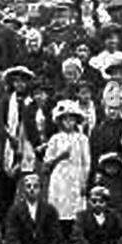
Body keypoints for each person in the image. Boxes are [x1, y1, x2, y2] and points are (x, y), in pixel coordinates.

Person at [3, 170, 65, 244]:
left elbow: (56, 236)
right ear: (23, 189)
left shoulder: (50, 210)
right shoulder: (14, 210)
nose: (32, 189)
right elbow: (11, 236)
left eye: (35, 186)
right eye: (28, 186)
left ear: (40, 189)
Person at [44, 99, 91, 234]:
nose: (69, 123)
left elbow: (86, 161)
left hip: (76, 175)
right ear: (60, 121)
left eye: (72, 119)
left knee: (75, 207)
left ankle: (75, 237)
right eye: (65, 120)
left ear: (76, 121)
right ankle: (59, 237)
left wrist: (84, 180)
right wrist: (60, 157)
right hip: (59, 176)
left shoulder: (82, 139)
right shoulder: (55, 139)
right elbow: (47, 163)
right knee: (59, 207)